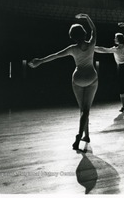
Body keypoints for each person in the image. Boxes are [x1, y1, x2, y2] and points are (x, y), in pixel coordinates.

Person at [28, 13, 98, 150]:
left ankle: (86, 136)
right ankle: (81, 135)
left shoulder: (72, 49)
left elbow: (55, 55)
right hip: (91, 77)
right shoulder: (92, 44)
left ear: (72, 37)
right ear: (84, 33)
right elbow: (94, 30)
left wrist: (40, 61)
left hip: (77, 79)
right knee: (86, 109)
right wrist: (86, 17)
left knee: (82, 110)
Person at [95, 22, 124, 114]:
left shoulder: (116, 49)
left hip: (121, 68)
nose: (114, 39)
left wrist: (92, 48)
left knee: (122, 88)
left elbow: (103, 49)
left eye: (115, 38)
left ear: (118, 40)